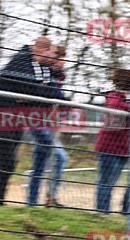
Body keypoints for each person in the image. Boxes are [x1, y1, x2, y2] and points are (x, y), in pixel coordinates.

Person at [0, 36, 57, 205]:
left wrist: (35, 95)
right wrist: (36, 94)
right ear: (41, 50)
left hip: (14, 121)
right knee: (7, 160)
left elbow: (45, 94)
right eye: (51, 53)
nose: (53, 57)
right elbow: (28, 89)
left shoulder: (36, 66)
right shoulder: (21, 61)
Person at [94, 69, 130, 214]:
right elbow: (114, 106)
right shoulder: (114, 95)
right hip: (109, 146)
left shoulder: (129, 97)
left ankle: (113, 210)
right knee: (106, 182)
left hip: (124, 146)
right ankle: (102, 211)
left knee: (111, 181)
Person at [45, 44, 70, 207]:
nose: (64, 62)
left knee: (56, 159)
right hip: (39, 123)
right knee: (59, 158)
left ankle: (50, 198)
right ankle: (48, 198)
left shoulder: (58, 77)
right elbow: (55, 97)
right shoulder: (47, 74)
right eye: (62, 59)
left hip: (50, 123)